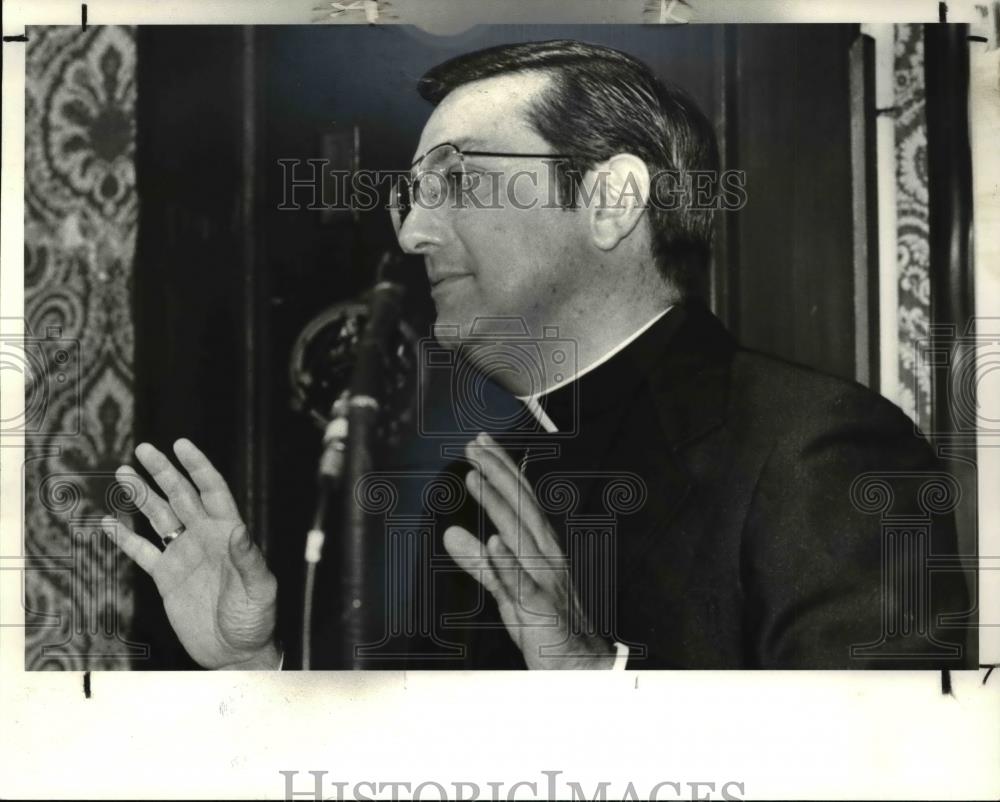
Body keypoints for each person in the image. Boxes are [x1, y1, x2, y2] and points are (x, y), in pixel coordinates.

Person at [102, 39, 972, 670]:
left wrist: (592, 682)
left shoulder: (821, 450)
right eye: (412, 195)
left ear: (611, 200)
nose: (409, 232)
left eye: (454, 179)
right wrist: (256, 669)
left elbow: (887, 770)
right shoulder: (475, 484)